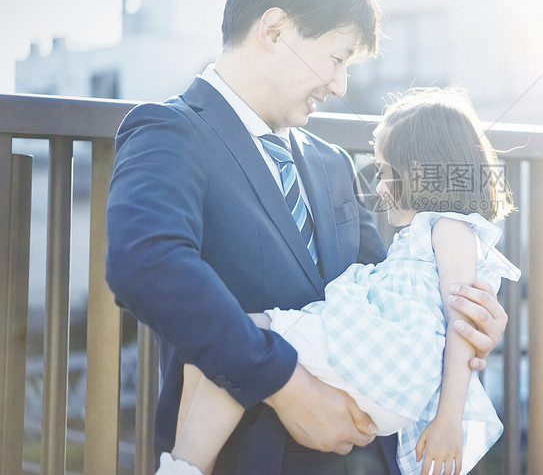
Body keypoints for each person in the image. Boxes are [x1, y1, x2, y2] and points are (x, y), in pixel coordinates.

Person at [105, 0, 509, 475]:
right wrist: (283, 383)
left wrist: (469, 319)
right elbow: (146, 265)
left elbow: (389, 288)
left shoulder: (331, 162)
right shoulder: (170, 131)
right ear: (274, 31)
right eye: (337, 57)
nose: (340, 85)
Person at [157, 89, 520, 475]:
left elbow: (461, 322)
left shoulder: (451, 228)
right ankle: (184, 466)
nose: (379, 186)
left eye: (383, 172)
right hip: (382, 362)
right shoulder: (423, 235)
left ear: (416, 171)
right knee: (207, 356)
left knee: (232, 338)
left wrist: (449, 420)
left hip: (390, 365)